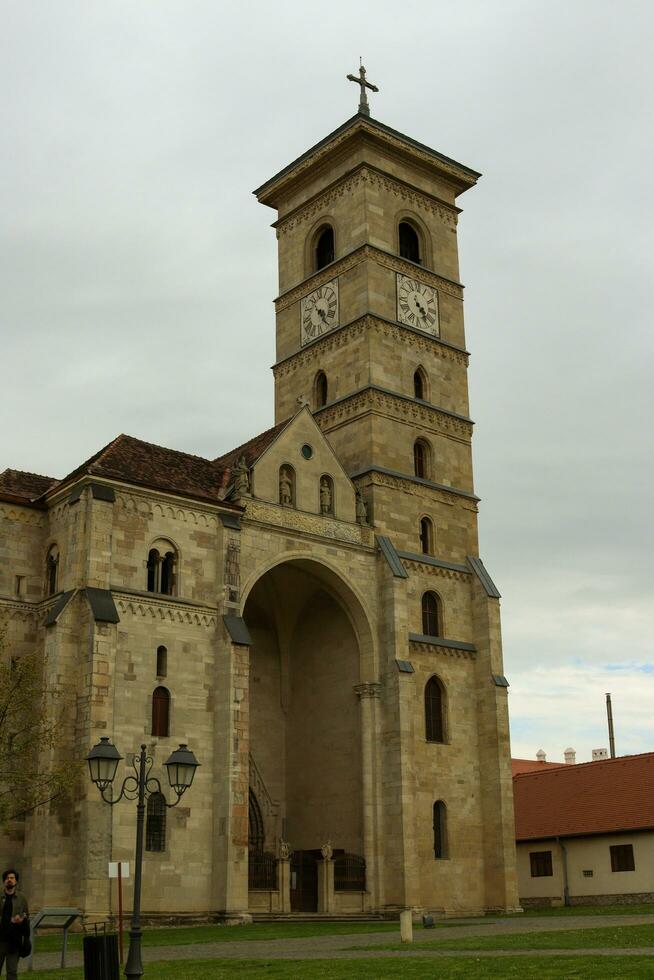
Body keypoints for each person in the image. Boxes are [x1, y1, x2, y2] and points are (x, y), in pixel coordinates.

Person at [0, 870, 29, 980]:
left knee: (12, 972)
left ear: (16, 881)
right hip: (0, 939)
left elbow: (26, 918)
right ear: (4, 881)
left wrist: (26, 939)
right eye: (7, 878)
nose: (9, 880)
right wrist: (9, 920)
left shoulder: (22, 898)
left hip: (14, 940)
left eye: (12, 878)